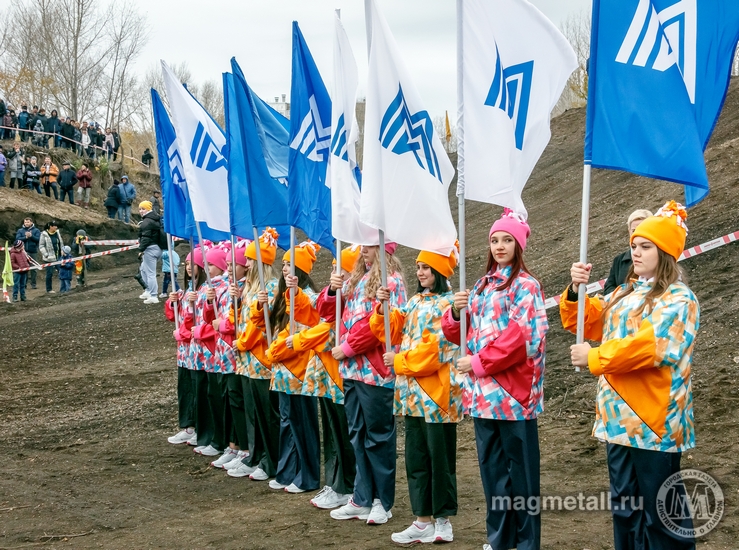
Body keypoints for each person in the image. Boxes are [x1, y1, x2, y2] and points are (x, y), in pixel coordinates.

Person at [562, 201, 699, 550]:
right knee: (626, 510)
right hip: (617, 421)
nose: (634, 252)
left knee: (661, 513)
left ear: (665, 251)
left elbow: (648, 347)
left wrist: (594, 356)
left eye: (645, 246)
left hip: (654, 422)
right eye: (634, 245)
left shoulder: (680, 299)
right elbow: (589, 321)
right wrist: (577, 292)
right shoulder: (626, 291)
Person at [442, 209, 548, 550]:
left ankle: (527, 542)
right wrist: (456, 314)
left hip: (514, 396)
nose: (500, 246)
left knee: (522, 476)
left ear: (519, 244)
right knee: (493, 474)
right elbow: (460, 333)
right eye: (494, 240)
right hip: (484, 396)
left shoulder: (526, 286)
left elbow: (521, 338)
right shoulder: (482, 285)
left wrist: (477, 362)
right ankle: (499, 539)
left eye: (507, 240)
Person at [372, 245, 461, 545]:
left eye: (426, 267)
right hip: (412, 398)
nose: (420, 272)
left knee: (441, 458)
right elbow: (389, 330)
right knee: (416, 458)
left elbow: (437, 351)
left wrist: (399, 363)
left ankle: (443, 520)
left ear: (440, 271)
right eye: (419, 267)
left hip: (437, 397)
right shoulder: (413, 302)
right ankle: (422, 519)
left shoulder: (451, 306)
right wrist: (381, 308)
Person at [318, 243, 407, 525]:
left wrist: (348, 347)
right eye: (363, 247)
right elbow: (327, 312)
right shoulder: (355, 279)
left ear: (385, 250)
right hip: (352, 371)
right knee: (357, 433)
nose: (364, 252)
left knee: (378, 435)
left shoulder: (392, 281)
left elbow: (384, 324)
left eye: (371, 246)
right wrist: (332, 290)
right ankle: (361, 497)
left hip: (375, 371)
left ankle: (383, 500)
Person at [289, 245, 361, 509]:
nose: (334, 272)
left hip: (339, 374)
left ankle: (347, 484)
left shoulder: (355, 297)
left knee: (343, 432)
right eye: (332, 267)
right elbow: (317, 314)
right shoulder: (332, 293)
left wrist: (298, 341)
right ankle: (334, 482)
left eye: (340, 268)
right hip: (326, 373)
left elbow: (325, 329)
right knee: (331, 430)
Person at [264, 242, 321, 494]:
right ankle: (288, 470)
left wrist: (276, 350)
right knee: (288, 421)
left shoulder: (308, 297)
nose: (286, 268)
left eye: (291, 264)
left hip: (299, 371)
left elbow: (302, 334)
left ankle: (307, 475)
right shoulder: (283, 295)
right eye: (284, 263)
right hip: (283, 372)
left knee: (302, 424)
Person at [228, 229, 281, 480]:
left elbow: (262, 325)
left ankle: (271, 461)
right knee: (252, 411)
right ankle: (256, 455)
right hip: (248, 360)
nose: (245, 264)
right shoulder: (249, 287)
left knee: (266, 413)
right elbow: (241, 319)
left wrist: (242, 342)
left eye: (250, 260)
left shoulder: (270, 286)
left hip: (260, 359)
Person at [190, 246, 231, 458]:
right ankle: (211, 436)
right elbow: (205, 317)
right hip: (206, 352)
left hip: (218, 351)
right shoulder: (205, 288)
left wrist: (201, 331)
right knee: (210, 395)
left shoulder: (226, 288)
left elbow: (219, 322)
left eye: (212, 264)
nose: (208, 267)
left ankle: (220, 440)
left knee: (219, 397)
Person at [166, 252, 197, 445]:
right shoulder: (187, 290)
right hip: (185, 351)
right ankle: (189, 426)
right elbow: (177, 317)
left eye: (192, 264)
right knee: (185, 387)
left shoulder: (199, 291)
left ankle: (195, 426)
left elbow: (197, 321)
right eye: (186, 264)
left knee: (194, 388)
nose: (188, 267)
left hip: (196, 350)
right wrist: (172, 303)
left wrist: (183, 334)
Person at [604, 209, 654, 295]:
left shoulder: (658, 256)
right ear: (629, 231)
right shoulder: (618, 260)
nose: (638, 233)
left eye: (643, 229)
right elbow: (608, 288)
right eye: (634, 230)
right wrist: (623, 296)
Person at [137, 200, 164, 303]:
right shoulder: (155, 219)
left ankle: (153, 295)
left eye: (143, 208)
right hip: (158, 248)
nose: (141, 211)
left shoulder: (146, 222)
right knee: (143, 269)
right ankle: (148, 290)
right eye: (140, 209)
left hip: (150, 249)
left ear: (148, 209)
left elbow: (146, 237)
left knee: (150, 273)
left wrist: (141, 249)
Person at [39, 221, 64, 294]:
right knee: (49, 274)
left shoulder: (57, 233)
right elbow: (41, 246)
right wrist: (46, 254)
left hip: (58, 257)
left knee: (62, 272)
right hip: (49, 259)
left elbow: (61, 243)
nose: (56, 227)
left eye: (56, 226)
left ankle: (63, 288)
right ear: (50, 226)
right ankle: (49, 289)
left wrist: (63, 250)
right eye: (55, 226)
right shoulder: (44, 234)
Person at [15, 218, 41, 289]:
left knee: (34, 269)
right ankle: (24, 284)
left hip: (33, 251)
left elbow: (39, 239)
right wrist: (26, 237)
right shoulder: (20, 230)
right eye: (25, 222)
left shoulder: (36, 230)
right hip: (23, 252)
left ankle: (33, 284)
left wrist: (31, 236)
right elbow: (17, 239)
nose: (26, 223)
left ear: (31, 222)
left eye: (28, 222)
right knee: (24, 268)